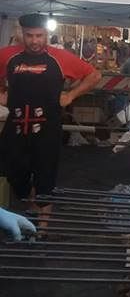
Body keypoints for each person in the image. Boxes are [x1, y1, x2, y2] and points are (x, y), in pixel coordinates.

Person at [0, 13, 101, 210]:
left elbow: (94, 75)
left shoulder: (59, 57)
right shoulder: (8, 55)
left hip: (48, 129)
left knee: (45, 179)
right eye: (30, 36)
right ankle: (30, 210)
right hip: (16, 129)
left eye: (39, 36)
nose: (34, 41)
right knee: (14, 174)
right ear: (22, 34)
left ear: (46, 34)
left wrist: (71, 95)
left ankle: (42, 231)